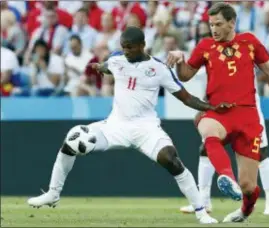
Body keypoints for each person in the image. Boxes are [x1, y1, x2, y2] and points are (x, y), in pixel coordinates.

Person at [26, 26, 239, 224]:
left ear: (142, 45)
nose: (125, 51)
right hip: (115, 126)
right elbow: (109, 67)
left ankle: (201, 212)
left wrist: (210, 107)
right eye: (123, 47)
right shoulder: (117, 60)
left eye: (129, 47)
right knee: (72, 140)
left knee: (171, 160)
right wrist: (99, 67)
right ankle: (53, 193)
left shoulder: (159, 69)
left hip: (146, 129)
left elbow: (186, 97)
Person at [166, 2, 269, 223]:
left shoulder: (249, 42)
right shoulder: (205, 46)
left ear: (232, 22)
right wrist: (180, 58)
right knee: (207, 129)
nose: (214, 29)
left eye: (218, 24)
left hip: (248, 115)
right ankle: (226, 178)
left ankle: (245, 210)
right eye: (211, 24)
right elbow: (185, 76)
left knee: (249, 186)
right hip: (218, 111)